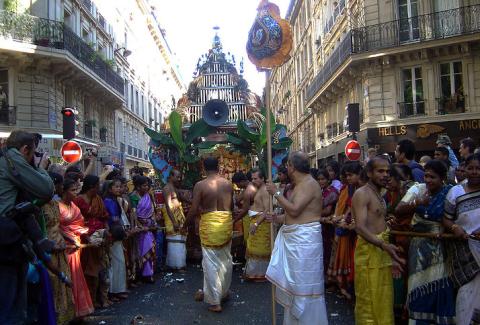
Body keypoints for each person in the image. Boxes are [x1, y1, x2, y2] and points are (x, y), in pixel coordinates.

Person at [265, 151, 328, 325]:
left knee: (304, 289)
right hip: (297, 239)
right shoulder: (300, 185)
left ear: (291, 167)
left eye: (287, 165)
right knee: (295, 288)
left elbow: (294, 210)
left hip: (305, 241)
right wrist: (277, 219)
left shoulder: (308, 184)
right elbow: (293, 215)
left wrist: (275, 193)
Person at [0, 130, 55, 324]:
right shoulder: (12, 161)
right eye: (33, 153)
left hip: (9, 240)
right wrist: (40, 168)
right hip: (7, 245)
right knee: (11, 309)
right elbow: (46, 189)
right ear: (25, 149)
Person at [352, 156, 405, 325]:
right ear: (369, 173)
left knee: (383, 298)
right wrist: (383, 244)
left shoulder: (381, 194)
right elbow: (360, 227)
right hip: (368, 255)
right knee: (369, 302)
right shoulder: (362, 194)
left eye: (388, 171)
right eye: (380, 171)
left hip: (382, 253)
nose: (385, 175)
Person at [186, 157, 233, 313]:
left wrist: (185, 223)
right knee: (225, 260)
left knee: (210, 264)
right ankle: (223, 293)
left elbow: (193, 209)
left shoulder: (200, 185)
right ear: (219, 167)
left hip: (209, 225)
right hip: (225, 222)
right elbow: (231, 205)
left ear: (203, 168)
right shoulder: (227, 183)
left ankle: (215, 301)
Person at [444, 153, 480, 325]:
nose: (474, 172)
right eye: (470, 168)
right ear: (464, 169)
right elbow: (446, 218)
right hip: (464, 251)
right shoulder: (455, 192)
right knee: (466, 292)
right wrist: (455, 227)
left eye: (478, 168)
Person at [59, 178, 94, 318]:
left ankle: (77, 311)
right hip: (65, 246)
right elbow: (56, 227)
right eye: (72, 190)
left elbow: (79, 224)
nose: (75, 193)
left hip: (76, 244)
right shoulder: (57, 205)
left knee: (77, 276)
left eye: (76, 190)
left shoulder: (73, 205)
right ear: (64, 190)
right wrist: (69, 237)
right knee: (67, 277)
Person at [42, 172, 75, 324]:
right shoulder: (38, 205)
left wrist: (68, 238)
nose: (62, 187)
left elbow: (58, 226)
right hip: (48, 250)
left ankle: (66, 318)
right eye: (60, 184)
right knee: (54, 284)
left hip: (60, 246)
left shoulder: (55, 204)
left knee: (64, 282)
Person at [74, 175, 110, 308]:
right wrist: (88, 237)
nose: (99, 188)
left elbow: (105, 217)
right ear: (91, 187)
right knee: (89, 271)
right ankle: (90, 301)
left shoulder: (98, 199)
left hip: (101, 237)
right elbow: (77, 220)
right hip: (85, 239)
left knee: (103, 268)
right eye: (97, 186)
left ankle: (102, 298)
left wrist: (106, 232)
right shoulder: (78, 200)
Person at [328, 161, 361, 300]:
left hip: (361, 233)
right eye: (346, 175)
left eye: (350, 175)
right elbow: (349, 210)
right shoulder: (350, 189)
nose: (347, 178)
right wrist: (342, 219)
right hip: (348, 228)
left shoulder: (361, 190)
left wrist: (344, 219)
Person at [103, 179, 128, 299]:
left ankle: (118, 289)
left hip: (118, 233)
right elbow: (108, 219)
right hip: (112, 234)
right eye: (116, 187)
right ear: (109, 189)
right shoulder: (107, 201)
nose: (119, 189)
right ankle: (112, 292)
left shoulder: (115, 200)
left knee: (119, 262)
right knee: (114, 263)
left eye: (119, 186)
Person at [129, 176, 157, 283]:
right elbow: (133, 214)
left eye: (147, 185)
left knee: (150, 248)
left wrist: (152, 222)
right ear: (138, 186)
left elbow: (152, 211)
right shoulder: (133, 197)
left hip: (149, 227)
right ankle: (138, 275)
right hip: (138, 228)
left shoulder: (148, 195)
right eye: (144, 185)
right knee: (137, 251)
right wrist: (140, 225)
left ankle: (149, 274)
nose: (147, 187)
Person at [245, 169, 271, 281]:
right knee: (255, 249)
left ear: (262, 178)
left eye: (256, 178)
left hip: (260, 224)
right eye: (252, 178)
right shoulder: (260, 189)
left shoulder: (265, 190)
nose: (253, 181)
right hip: (257, 223)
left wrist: (256, 223)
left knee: (260, 249)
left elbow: (267, 209)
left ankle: (259, 274)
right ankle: (255, 273)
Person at [162, 170, 188, 270]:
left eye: (179, 177)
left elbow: (181, 198)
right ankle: (174, 264)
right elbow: (168, 206)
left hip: (178, 214)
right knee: (174, 237)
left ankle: (180, 263)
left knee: (180, 237)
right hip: (172, 215)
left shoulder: (174, 188)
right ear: (171, 176)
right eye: (177, 177)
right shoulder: (167, 188)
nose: (179, 179)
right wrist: (174, 222)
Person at [317, 169, 339, 277]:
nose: (321, 181)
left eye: (323, 179)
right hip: (321, 225)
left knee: (329, 251)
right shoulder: (320, 191)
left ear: (328, 179)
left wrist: (313, 214)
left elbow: (327, 211)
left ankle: (329, 278)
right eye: (319, 179)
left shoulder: (332, 192)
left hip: (329, 225)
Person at [232, 171, 257, 244]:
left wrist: (234, 220)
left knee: (249, 240)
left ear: (242, 181)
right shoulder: (251, 186)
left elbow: (245, 210)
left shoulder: (248, 191)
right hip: (256, 216)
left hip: (251, 217)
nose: (237, 186)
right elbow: (238, 200)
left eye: (237, 184)